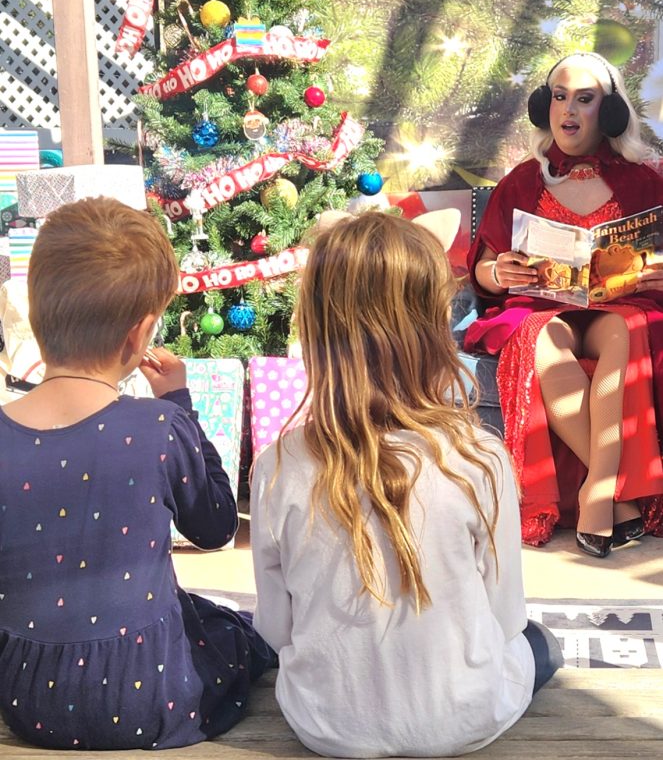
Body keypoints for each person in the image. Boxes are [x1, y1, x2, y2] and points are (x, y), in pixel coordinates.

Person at [250, 211, 561, 759]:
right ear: (433, 327)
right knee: (543, 645)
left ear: (318, 329)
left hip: (326, 726)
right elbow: (507, 617)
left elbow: (276, 631)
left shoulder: (277, 464)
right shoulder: (480, 456)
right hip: (463, 719)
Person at [0, 197, 274, 751]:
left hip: (26, 696)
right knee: (237, 635)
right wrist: (180, 400)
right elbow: (216, 526)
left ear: (35, 312)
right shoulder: (157, 426)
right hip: (146, 696)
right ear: (140, 333)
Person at [465, 51, 663, 556]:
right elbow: (485, 270)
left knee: (623, 330)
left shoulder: (644, 181)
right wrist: (498, 270)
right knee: (539, 337)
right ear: (543, 106)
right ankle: (618, 504)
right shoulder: (522, 180)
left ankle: (599, 492)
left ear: (610, 111)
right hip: (541, 308)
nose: (568, 110)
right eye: (558, 97)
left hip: (621, 309)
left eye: (584, 99)